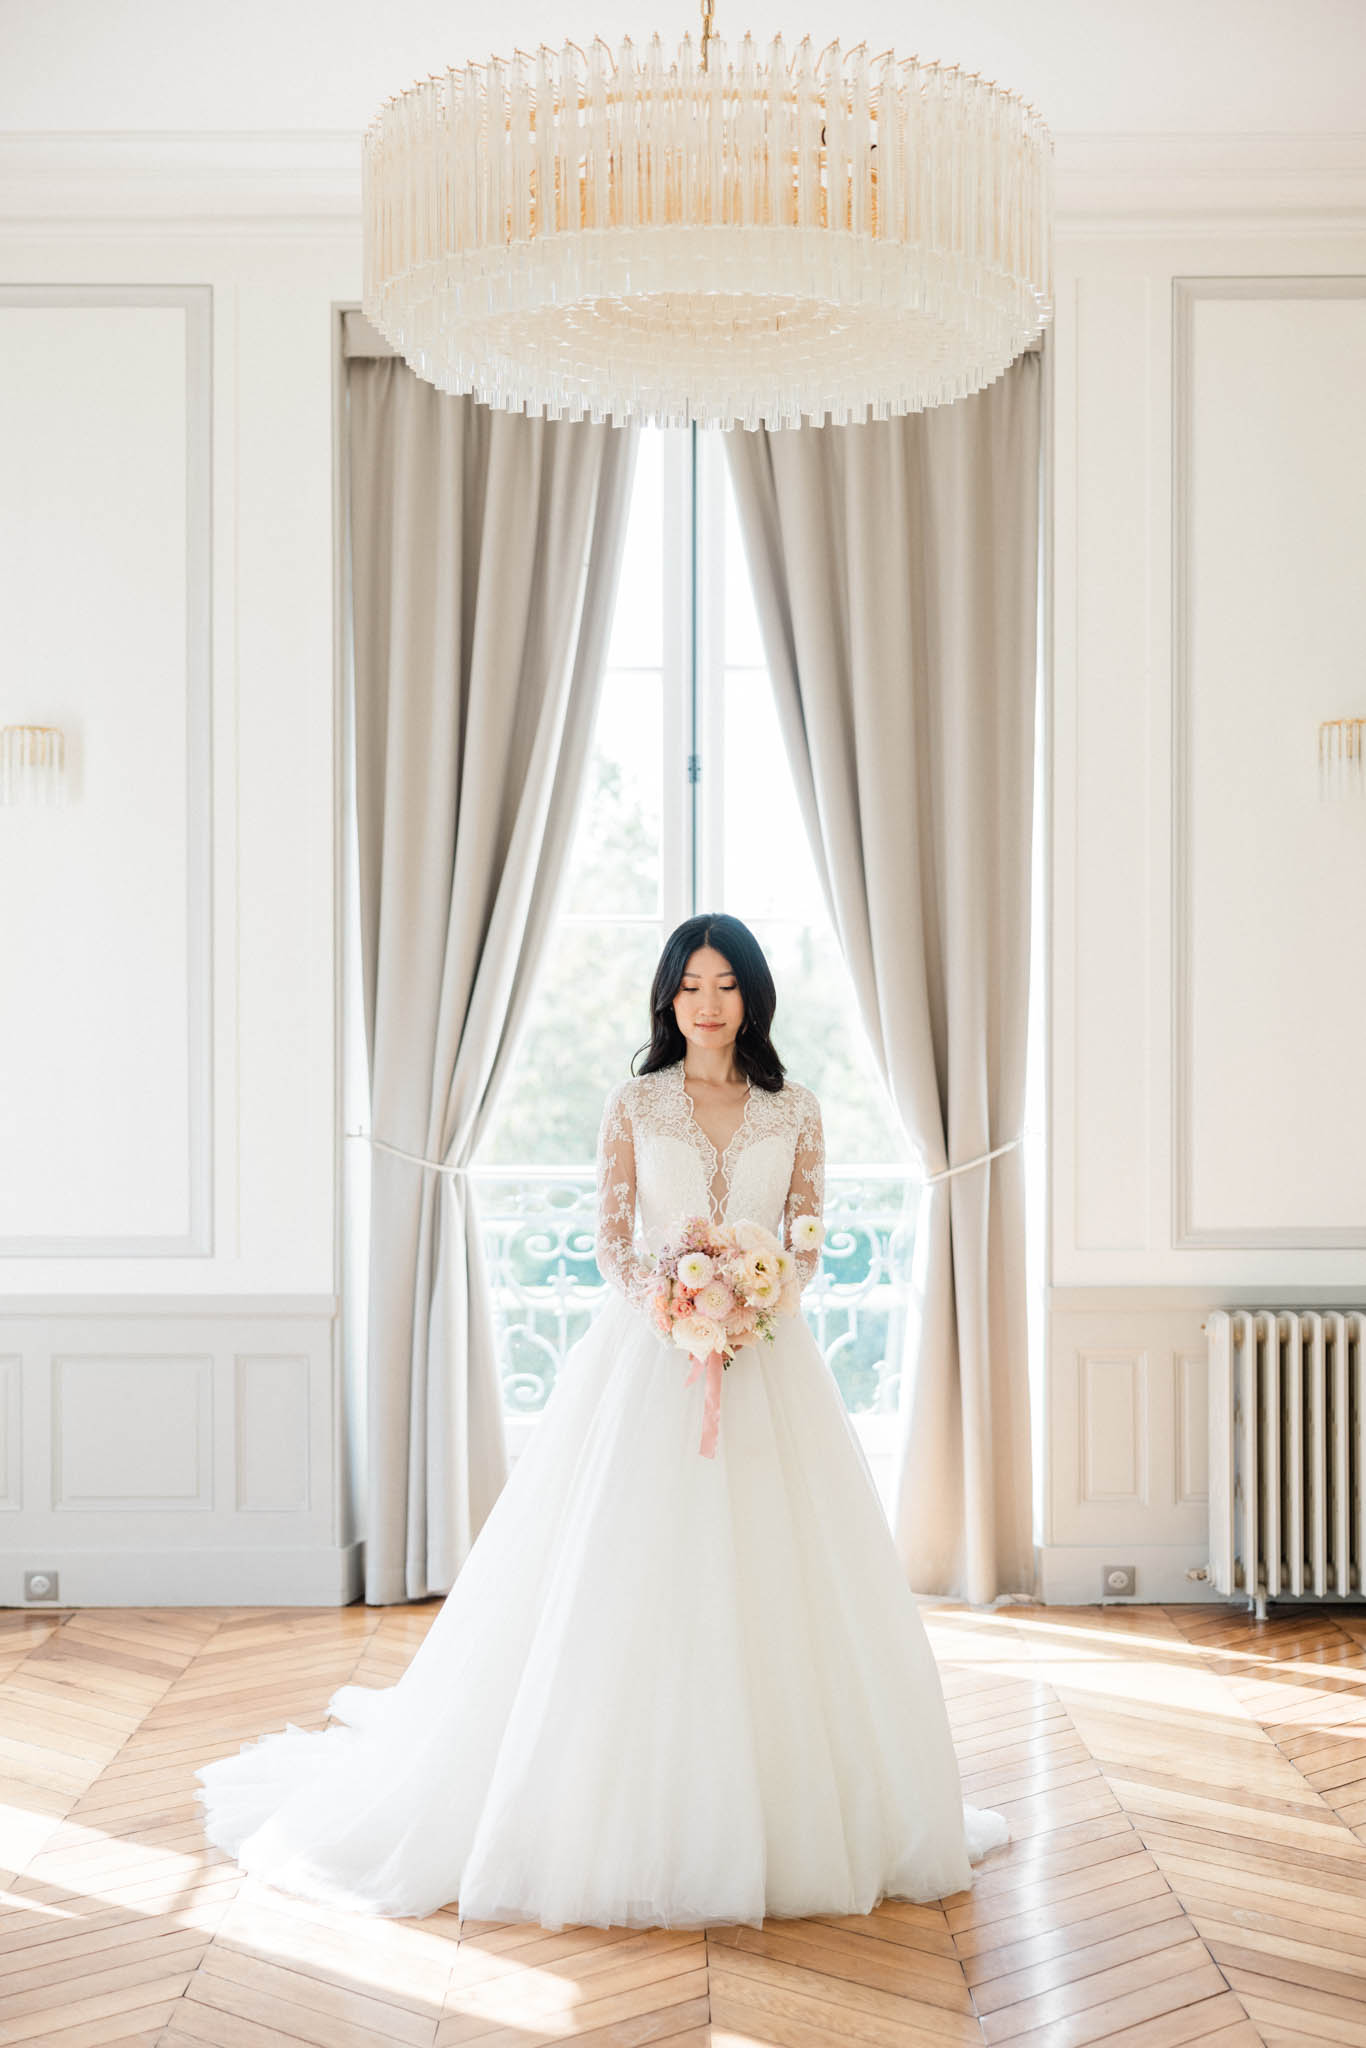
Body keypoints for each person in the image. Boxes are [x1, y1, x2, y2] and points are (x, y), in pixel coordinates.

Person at [196, 912, 1008, 1928]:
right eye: (687, 985)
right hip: (647, 1361)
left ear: (752, 994)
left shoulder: (793, 1108)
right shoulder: (634, 1104)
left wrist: (755, 1293)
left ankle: (789, 1813)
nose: (705, 1002)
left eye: (723, 984)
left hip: (767, 1366)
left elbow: (806, 1242)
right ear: (667, 999)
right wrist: (671, 1295)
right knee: (623, 1574)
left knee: (779, 1578)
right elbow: (610, 1241)